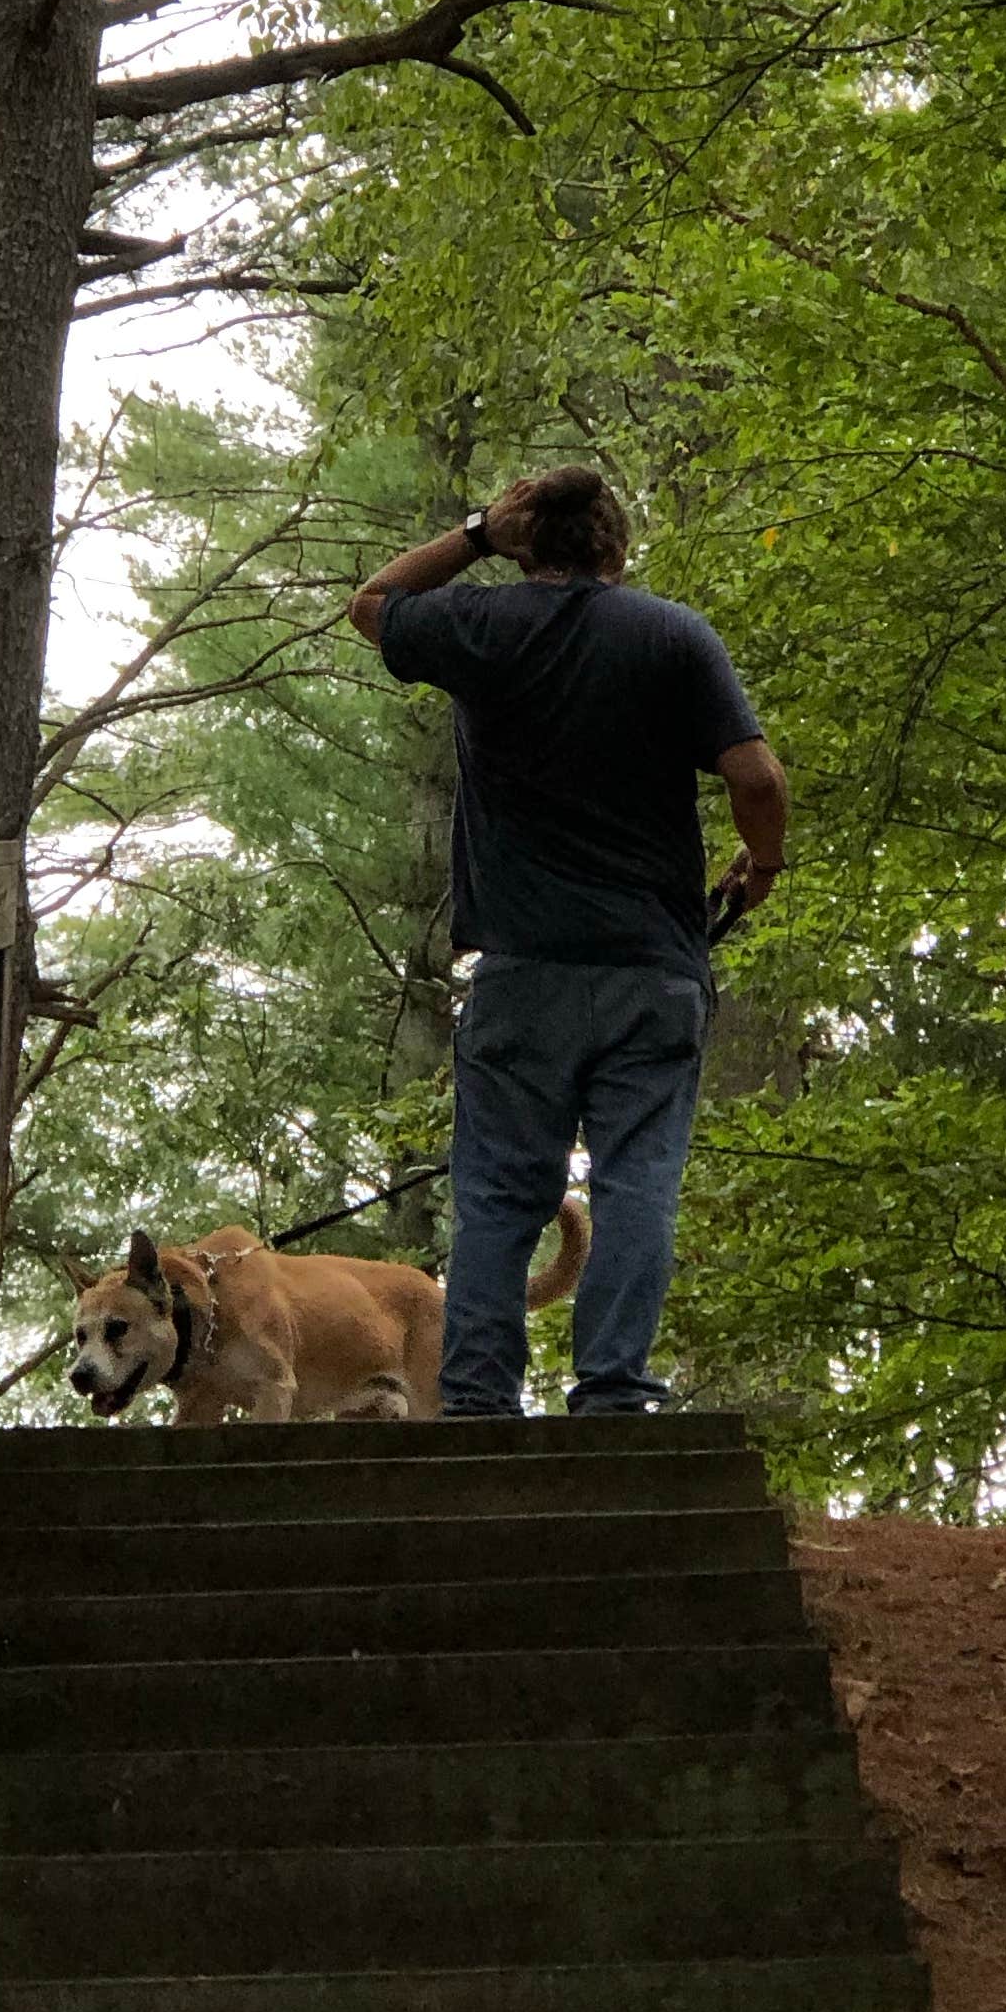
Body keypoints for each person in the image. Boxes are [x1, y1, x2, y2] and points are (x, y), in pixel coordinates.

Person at [348, 466, 789, 1417]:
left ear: (524, 544)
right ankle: (614, 1395)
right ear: (616, 549)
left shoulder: (479, 627)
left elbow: (374, 603)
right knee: (637, 1186)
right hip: (651, 971)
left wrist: (472, 534)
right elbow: (756, 776)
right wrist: (763, 865)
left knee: (502, 1195)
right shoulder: (673, 635)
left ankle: (475, 1404)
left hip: (522, 976)